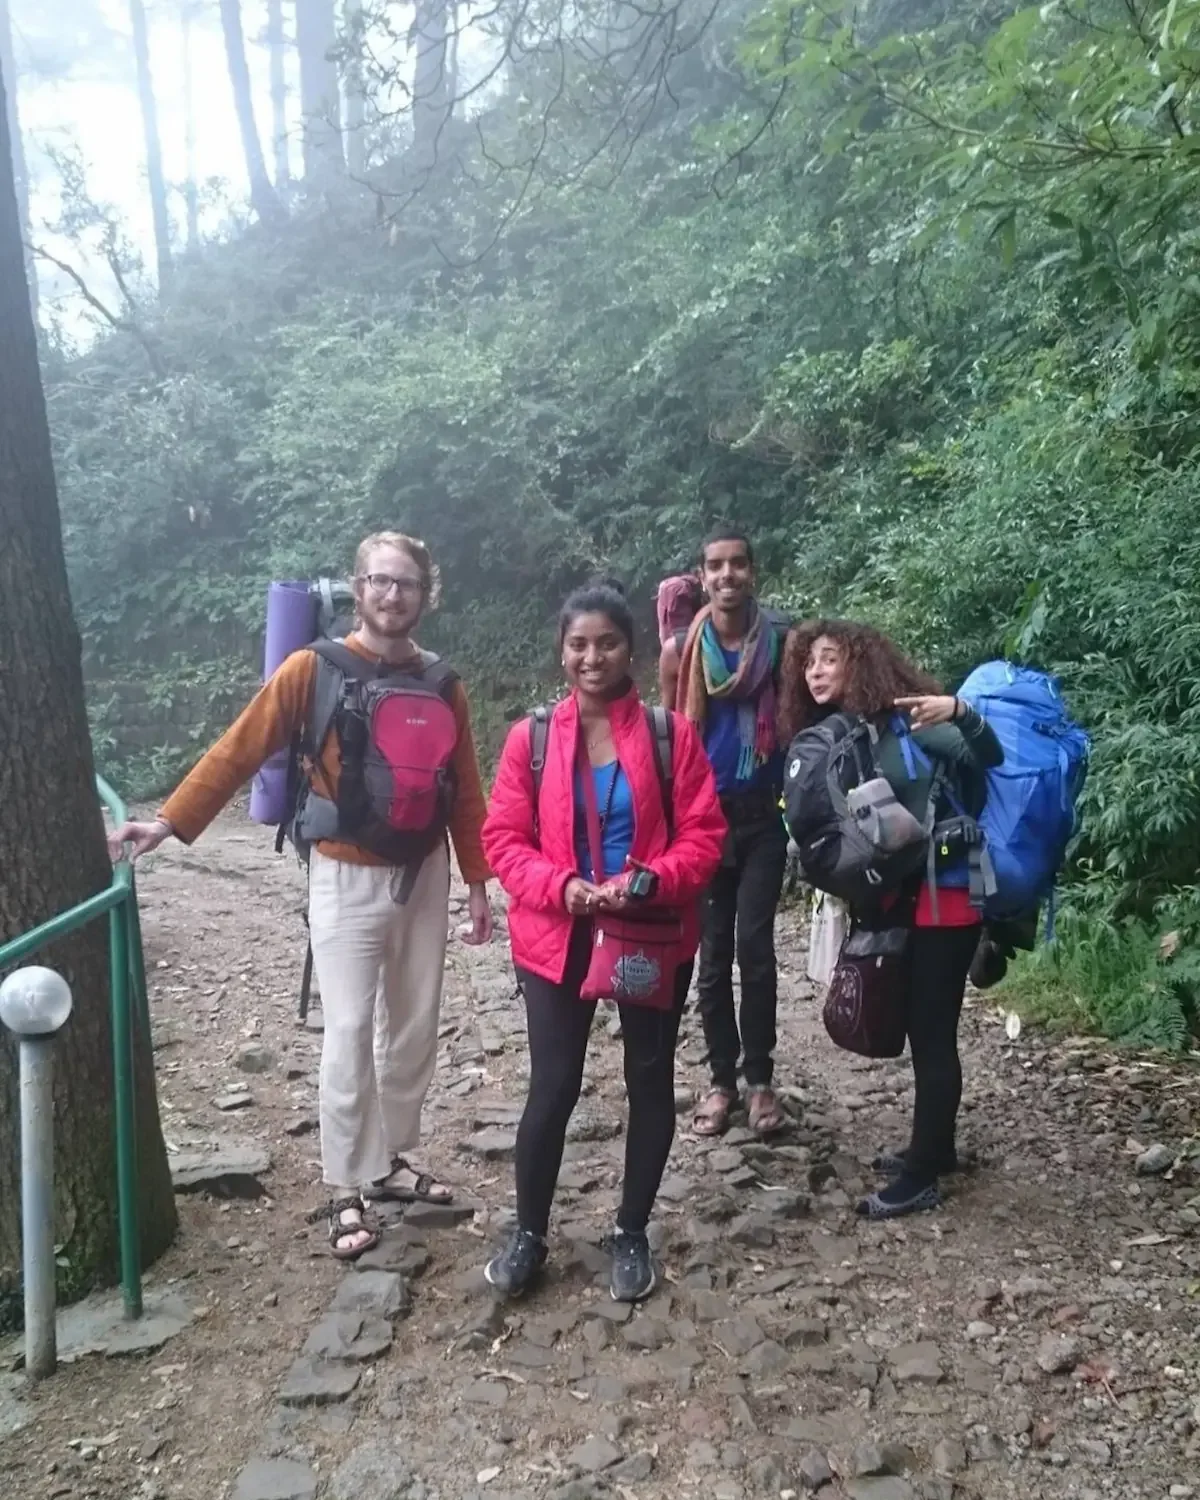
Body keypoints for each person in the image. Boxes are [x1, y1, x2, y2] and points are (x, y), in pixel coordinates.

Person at [107, 532, 494, 1259]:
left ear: (425, 595)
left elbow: (465, 789)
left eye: (406, 584)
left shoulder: (444, 683)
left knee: (413, 1024)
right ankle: (346, 1183)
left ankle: (391, 1159)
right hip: (343, 872)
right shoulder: (311, 669)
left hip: (425, 870)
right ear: (357, 586)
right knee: (349, 1028)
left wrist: (478, 881)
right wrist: (168, 821)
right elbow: (239, 747)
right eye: (379, 581)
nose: (392, 595)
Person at [481, 580, 725, 1300]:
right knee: (552, 1087)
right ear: (562, 651)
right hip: (558, 935)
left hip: (646, 931)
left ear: (631, 649)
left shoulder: (667, 736)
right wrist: (560, 887)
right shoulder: (530, 739)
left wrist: (649, 881)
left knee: (649, 1083)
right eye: (578, 644)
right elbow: (503, 838)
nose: (592, 657)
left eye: (607, 643)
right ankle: (528, 1231)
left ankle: (631, 1230)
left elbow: (704, 836)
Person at [777, 619, 1003, 1219]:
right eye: (809, 662)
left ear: (862, 663)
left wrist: (959, 710)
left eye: (829, 659)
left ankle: (923, 1177)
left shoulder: (910, 720)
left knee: (932, 1035)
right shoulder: (851, 732)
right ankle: (936, 1148)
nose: (816, 671)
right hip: (909, 901)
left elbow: (990, 755)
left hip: (948, 897)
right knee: (923, 1028)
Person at [660, 527, 789, 1138]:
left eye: (739, 563)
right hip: (704, 822)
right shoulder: (682, 651)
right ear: (702, 575)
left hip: (764, 816)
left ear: (752, 572)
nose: (728, 574)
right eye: (716, 566)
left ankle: (759, 1080)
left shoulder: (781, 645)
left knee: (756, 952)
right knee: (711, 960)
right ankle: (720, 1081)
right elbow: (670, 740)